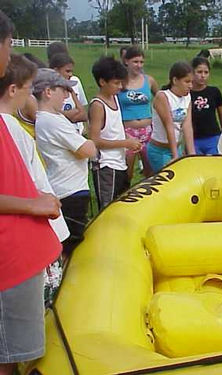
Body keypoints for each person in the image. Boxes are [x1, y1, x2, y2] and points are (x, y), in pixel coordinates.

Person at [0, 11, 62, 375]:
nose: (9, 56)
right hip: (9, 264)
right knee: (7, 357)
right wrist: (34, 205)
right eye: (8, 45)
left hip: (19, 260)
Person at [0, 55, 70, 306]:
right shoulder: (9, 127)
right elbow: (28, 183)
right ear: (13, 90)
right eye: (30, 89)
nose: (32, 98)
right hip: (32, 234)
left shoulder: (11, 126)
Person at [34, 68, 97, 256]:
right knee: (74, 248)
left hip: (69, 188)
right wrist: (91, 142)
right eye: (63, 90)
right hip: (70, 191)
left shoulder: (53, 118)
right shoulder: (53, 121)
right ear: (48, 92)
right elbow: (87, 150)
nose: (67, 95)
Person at [88, 57, 141, 210]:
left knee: (120, 205)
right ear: (102, 82)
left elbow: (114, 128)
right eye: (116, 83)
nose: (120, 87)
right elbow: (95, 140)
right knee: (107, 208)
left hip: (119, 162)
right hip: (106, 165)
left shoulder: (114, 98)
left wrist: (128, 138)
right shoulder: (98, 105)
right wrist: (125, 143)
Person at [117, 46, 159, 180]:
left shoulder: (149, 81)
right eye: (135, 62)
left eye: (141, 62)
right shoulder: (119, 83)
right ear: (126, 62)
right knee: (127, 172)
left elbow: (160, 99)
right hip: (127, 131)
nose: (139, 65)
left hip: (148, 130)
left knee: (150, 172)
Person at [148, 62, 196, 173]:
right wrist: (175, 156)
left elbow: (187, 126)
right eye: (187, 81)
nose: (190, 86)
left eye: (192, 82)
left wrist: (192, 154)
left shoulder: (187, 97)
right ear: (175, 80)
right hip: (160, 150)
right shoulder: (163, 96)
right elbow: (168, 125)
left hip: (176, 147)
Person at [46, 42, 88, 133]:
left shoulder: (75, 82)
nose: (70, 74)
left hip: (76, 133)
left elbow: (83, 115)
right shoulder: (45, 87)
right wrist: (67, 115)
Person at [190, 57, 222, 155]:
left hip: (213, 137)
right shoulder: (187, 93)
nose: (203, 76)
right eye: (199, 72)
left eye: (206, 72)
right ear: (192, 73)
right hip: (194, 139)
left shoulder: (214, 92)